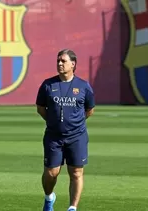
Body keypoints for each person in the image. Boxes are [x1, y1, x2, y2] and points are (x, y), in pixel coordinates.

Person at [35, 49, 95, 211]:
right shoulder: (48, 85)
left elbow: (89, 109)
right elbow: (40, 108)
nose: (60, 64)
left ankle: (72, 208)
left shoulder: (83, 86)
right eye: (58, 61)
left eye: (63, 61)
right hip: (54, 137)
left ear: (73, 64)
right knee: (51, 173)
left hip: (77, 137)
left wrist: (74, 123)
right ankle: (49, 198)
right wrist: (54, 122)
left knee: (76, 172)